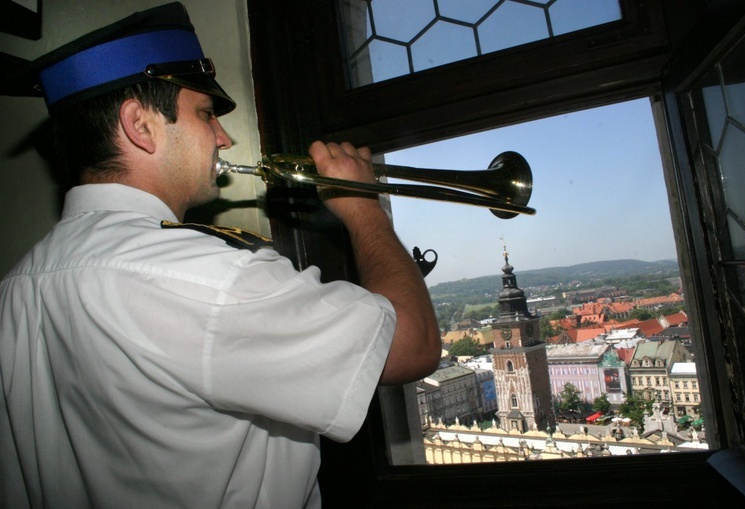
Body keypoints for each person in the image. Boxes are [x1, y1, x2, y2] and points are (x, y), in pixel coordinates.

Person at [0, 3, 440, 508]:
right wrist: (364, 209)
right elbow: (416, 343)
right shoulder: (210, 278)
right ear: (140, 126)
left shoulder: (15, 287)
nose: (224, 137)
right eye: (207, 113)